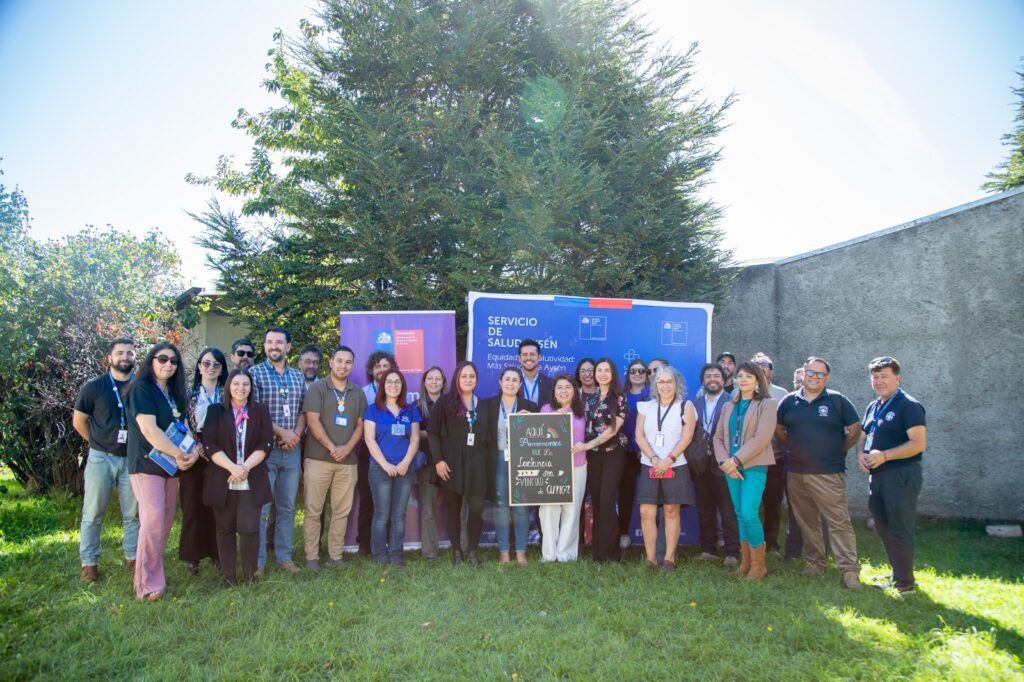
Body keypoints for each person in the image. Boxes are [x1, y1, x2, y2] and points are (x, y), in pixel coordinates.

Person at [776, 356, 863, 589]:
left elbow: (855, 430)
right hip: (796, 473)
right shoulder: (788, 402)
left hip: (828, 473)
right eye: (810, 372)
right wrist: (794, 448)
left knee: (838, 522)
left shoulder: (837, 401)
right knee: (807, 521)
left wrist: (839, 449)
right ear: (803, 373)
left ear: (827, 377)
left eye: (820, 374)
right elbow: (779, 429)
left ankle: (849, 570)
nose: (814, 377)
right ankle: (816, 562)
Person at [125, 342, 198, 601]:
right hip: (147, 465)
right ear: (151, 361)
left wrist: (192, 452)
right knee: (153, 519)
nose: (169, 364)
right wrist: (179, 454)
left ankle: (154, 575)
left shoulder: (173, 393)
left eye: (174, 361)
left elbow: (183, 427)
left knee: (164, 522)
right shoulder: (142, 389)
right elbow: (149, 430)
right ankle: (146, 585)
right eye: (163, 359)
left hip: (171, 467)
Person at [73, 336, 140, 583]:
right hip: (101, 459)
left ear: (135, 357)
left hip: (131, 459)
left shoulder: (141, 386)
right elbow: (79, 421)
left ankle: (133, 559)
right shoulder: (94, 387)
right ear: (110, 357)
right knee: (92, 513)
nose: (125, 357)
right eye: (120, 353)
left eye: (130, 353)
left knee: (133, 514)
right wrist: (97, 443)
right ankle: (89, 564)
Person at [857, 356, 927, 595]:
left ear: (897, 379)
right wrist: (860, 455)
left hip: (901, 474)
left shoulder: (908, 406)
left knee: (899, 527)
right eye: (875, 377)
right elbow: (862, 436)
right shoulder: (874, 406)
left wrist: (885, 456)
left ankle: (905, 583)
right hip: (878, 476)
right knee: (882, 525)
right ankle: (898, 571)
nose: (879, 381)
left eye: (884, 376)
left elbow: (918, 443)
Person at [201, 369, 273, 586]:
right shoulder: (215, 411)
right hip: (223, 477)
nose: (241, 388)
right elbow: (209, 444)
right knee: (225, 529)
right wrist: (233, 468)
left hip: (252, 477)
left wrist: (244, 468)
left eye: (245, 384)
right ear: (228, 386)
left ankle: (250, 576)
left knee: (249, 528)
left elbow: (266, 443)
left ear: (251, 387)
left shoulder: (260, 411)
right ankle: (229, 577)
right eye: (236, 384)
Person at [301, 346, 366, 571]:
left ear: (352, 365)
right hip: (318, 459)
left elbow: (361, 425)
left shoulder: (358, 393)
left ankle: (335, 556)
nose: (343, 366)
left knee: (341, 512)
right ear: (331, 362)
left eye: (348, 362)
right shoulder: (318, 387)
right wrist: (332, 447)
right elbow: (312, 421)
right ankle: (311, 557)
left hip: (347, 462)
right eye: (339, 361)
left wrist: (346, 448)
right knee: (313, 510)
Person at [248, 326, 307, 574]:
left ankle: (284, 557)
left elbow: (304, 410)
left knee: (287, 507)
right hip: (265, 451)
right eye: (270, 342)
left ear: (288, 347)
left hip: (292, 450)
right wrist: (283, 433)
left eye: (279, 342)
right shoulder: (254, 374)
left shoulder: (298, 376)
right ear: (264, 346)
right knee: (262, 507)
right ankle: (258, 561)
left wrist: (295, 435)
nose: (274, 346)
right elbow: (254, 412)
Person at [713, 362, 778, 580]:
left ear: (758, 380)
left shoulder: (767, 404)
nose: (743, 380)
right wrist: (725, 461)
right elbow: (718, 437)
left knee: (750, 513)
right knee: (740, 513)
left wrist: (736, 460)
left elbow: (762, 438)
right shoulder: (728, 406)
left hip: (753, 465)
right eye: (740, 376)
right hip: (730, 468)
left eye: (748, 376)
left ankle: (759, 566)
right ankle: (745, 564)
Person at [428, 361, 494, 566]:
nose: (468, 379)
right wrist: (438, 461)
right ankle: (456, 552)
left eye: (472, 376)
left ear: (477, 379)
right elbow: (433, 433)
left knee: (476, 508)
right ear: (457, 378)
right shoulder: (444, 402)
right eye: (464, 376)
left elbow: (490, 436)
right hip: (451, 463)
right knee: (453, 507)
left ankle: (472, 552)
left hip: (477, 464)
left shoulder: (483, 405)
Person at [635, 366, 696, 571]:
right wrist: (654, 458)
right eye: (661, 381)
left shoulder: (685, 406)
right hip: (649, 464)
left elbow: (687, 436)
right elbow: (639, 436)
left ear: (676, 384)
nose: (665, 385)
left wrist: (668, 460)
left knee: (671, 510)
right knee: (646, 512)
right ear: (655, 385)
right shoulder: (646, 407)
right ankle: (651, 559)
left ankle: (669, 559)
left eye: (669, 381)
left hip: (676, 464)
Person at [363, 369, 421, 566]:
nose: (393, 385)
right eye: (389, 381)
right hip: (380, 468)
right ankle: (380, 554)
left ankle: (396, 555)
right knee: (382, 514)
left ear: (402, 386)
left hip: (405, 468)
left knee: (399, 514)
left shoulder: (410, 410)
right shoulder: (373, 409)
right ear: (383, 385)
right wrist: (385, 464)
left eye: (397, 382)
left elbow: (415, 439)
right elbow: (369, 440)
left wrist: (405, 462)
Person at [687, 363, 740, 566]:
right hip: (701, 464)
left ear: (724, 380)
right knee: (705, 508)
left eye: (716, 376)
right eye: (708, 376)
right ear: (703, 381)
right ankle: (708, 549)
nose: (712, 379)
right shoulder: (696, 403)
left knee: (727, 509)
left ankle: (732, 552)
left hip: (724, 463)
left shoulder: (732, 402)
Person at [486, 367, 538, 565]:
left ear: (520, 384)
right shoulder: (488, 405)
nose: (510, 383)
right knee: (501, 506)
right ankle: (504, 552)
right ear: (500, 382)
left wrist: (530, 421)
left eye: (515, 380)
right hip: (498, 459)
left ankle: (521, 551)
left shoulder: (530, 406)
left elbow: (540, 433)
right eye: (507, 379)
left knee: (521, 506)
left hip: (522, 460)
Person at [179, 348, 224, 576]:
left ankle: (218, 553)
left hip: (221, 456)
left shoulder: (228, 394)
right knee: (192, 506)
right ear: (199, 366)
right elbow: (181, 425)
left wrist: (214, 449)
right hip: (194, 454)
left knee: (218, 506)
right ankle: (192, 557)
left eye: (216, 364)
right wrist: (196, 447)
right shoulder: (187, 395)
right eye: (206, 363)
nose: (211, 368)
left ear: (222, 369)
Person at [538, 375, 589, 562]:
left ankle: (566, 553)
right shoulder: (546, 409)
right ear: (554, 392)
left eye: (568, 387)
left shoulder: (583, 410)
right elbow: (537, 435)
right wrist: (553, 418)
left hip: (577, 465)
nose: (564, 391)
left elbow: (590, 436)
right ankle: (549, 554)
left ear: (575, 391)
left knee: (572, 510)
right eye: (559, 387)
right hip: (551, 466)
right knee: (548, 509)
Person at [582, 357, 627, 562]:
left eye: (606, 370)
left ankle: (612, 554)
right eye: (599, 370)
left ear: (612, 373)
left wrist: (588, 445)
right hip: (593, 456)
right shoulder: (590, 398)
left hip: (613, 454)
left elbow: (612, 430)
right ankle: (598, 553)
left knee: (608, 501)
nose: (602, 374)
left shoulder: (620, 398)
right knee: (598, 501)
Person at [356, 351, 397, 555]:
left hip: (391, 453)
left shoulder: (397, 393)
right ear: (371, 371)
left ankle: (385, 543)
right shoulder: (363, 393)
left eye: (385, 366)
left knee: (387, 502)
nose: (381, 370)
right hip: (367, 453)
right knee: (367, 500)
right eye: (377, 366)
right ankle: (364, 544)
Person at [751, 353, 790, 558]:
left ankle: (771, 543)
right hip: (749, 460)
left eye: (764, 365)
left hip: (775, 458)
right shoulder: (743, 391)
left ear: (771, 371)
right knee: (749, 505)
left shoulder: (782, 394)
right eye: (756, 365)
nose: (760, 368)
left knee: (772, 503)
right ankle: (750, 544)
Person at [415, 367, 446, 559]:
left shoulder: (452, 404)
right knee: (428, 508)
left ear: (443, 382)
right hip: (427, 463)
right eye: (430, 378)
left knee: (459, 507)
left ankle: (462, 546)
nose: (434, 382)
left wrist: (432, 432)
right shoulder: (416, 406)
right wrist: (434, 432)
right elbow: (413, 434)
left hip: (450, 462)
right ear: (424, 382)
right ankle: (429, 551)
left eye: (438, 378)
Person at [617, 358, 648, 550]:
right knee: (625, 494)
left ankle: (653, 536)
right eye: (633, 371)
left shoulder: (653, 396)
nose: (637, 374)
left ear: (647, 374)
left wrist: (642, 449)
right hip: (625, 454)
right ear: (628, 375)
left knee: (651, 496)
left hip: (648, 453)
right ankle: (623, 534)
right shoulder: (621, 397)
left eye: (641, 371)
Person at [517, 339, 553, 405]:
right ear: (519, 358)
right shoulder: (512, 383)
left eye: (532, 354)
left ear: (539, 357)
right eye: (525, 354)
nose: (528, 358)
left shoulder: (550, 384)